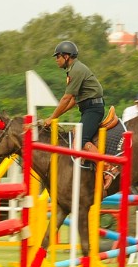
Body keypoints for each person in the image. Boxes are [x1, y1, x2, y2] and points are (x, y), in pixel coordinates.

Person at [46, 41, 123, 180]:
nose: (56, 60)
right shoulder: (74, 69)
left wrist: (52, 118)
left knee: (81, 141)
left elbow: (66, 98)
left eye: (58, 56)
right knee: (77, 136)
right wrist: (56, 116)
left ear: (67, 56)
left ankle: (109, 167)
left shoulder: (76, 70)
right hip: (88, 109)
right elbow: (73, 101)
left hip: (93, 109)